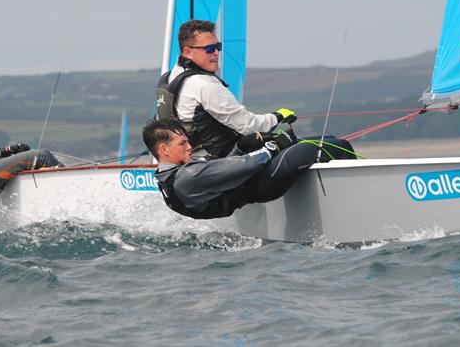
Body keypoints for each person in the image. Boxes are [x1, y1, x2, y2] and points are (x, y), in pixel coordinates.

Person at [143, 118, 355, 220]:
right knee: (338, 145)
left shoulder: (169, 177)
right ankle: (355, 206)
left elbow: (225, 169)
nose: (189, 147)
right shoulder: (188, 174)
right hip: (267, 180)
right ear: (164, 149)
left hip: (258, 180)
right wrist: (275, 146)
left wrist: (242, 146)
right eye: (182, 143)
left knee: (328, 141)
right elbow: (249, 164)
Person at [156, 19, 296, 158]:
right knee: (298, 146)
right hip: (218, 161)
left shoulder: (171, 76)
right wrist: (277, 117)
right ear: (187, 52)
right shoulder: (203, 84)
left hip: (191, 160)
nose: (216, 53)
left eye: (218, 46)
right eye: (209, 49)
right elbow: (248, 125)